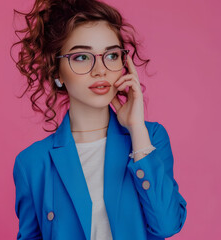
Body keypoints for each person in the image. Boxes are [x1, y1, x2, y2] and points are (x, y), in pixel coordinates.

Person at [10, 0, 187, 239]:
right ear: (56, 71)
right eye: (82, 57)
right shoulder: (32, 163)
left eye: (111, 55)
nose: (100, 70)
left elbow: (167, 225)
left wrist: (136, 129)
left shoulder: (150, 138)